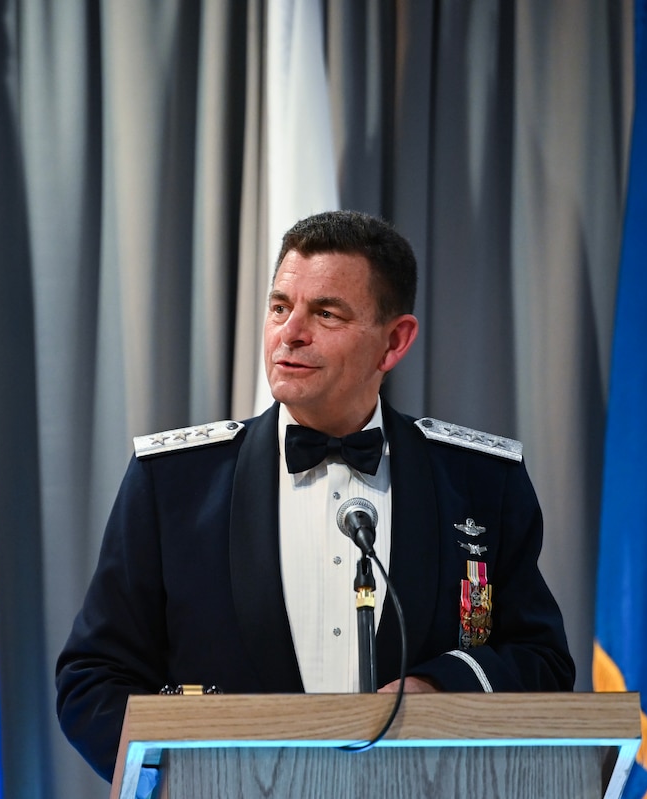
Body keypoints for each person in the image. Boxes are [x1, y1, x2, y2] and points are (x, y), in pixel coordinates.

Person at [55, 210, 575, 780]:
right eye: (280, 307)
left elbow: (541, 661)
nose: (290, 332)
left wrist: (440, 686)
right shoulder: (174, 482)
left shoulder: (480, 482)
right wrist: (180, 779)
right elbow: (93, 679)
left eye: (326, 313)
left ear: (394, 341)